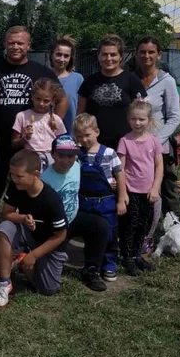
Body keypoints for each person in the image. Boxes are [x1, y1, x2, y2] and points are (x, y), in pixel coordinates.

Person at [0, 26, 65, 231]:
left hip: (32, 148)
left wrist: (52, 121)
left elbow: (61, 99)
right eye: (11, 42)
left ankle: (32, 236)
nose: (16, 46)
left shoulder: (42, 72)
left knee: (32, 193)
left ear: (29, 45)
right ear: (5, 44)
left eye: (20, 43)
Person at [0, 149, 68, 308]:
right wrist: (23, 219)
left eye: (19, 176)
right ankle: (4, 282)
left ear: (35, 174)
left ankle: (22, 259)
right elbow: (7, 213)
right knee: (4, 228)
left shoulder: (51, 199)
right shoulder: (15, 187)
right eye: (12, 175)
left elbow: (60, 235)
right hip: (29, 234)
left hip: (49, 244)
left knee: (48, 289)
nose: (14, 179)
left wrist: (34, 255)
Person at [41, 135, 109, 292]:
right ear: (52, 155)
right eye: (61, 156)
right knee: (49, 283)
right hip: (55, 226)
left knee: (101, 225)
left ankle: (91, 270)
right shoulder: (45, 179)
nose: (66, 160)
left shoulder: (77, 166)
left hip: (73, 217)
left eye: (70, 156)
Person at [133, 36, 180, 252]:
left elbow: (174, 117)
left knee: (165, 188)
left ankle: (175, 230)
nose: (147, 56)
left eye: (151, 52)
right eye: (142, 51)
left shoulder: (167, 81)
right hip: (134, 145)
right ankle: (139, 231)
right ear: (137, 54)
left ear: (159, 55)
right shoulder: (130, 78)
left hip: (158, 146)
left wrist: (155, 141)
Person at [74, 113, 125, 283]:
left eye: (87, 135)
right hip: (85, 201)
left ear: (97, 132)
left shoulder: (109, 153)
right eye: (80, 136)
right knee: (91, 234)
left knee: (110, 233)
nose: (84, 140)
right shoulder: (76, 154)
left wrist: (121, 197)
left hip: (106, 201)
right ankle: (91, 265)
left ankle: (109, 263)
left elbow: (120, 175)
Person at [117, 99, 163, 276]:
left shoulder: (154, 141)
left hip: (149, 192)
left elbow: (159, 166)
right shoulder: (125, 141)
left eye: (142, 119)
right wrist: (123, 193)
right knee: (130, 225)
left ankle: (137, 255)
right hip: (131, 192)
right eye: (134, 119)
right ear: (128, 119)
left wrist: (155, 188)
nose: (137, 123)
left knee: (143, 225)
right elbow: (120, 168)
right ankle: (126, 257)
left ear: (149, 120)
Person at [78, 34, 146, 150]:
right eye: (104, 54)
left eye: (113, 54)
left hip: (125, 143)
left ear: (120, 57)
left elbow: (141, 114)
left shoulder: (132, 80)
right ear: (98, 56)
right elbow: (80, 115)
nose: (108, 58)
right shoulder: (89, 81)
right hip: (94, 144)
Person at [12, 78, 67, 170]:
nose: (41, 103)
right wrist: (26, 137)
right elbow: (14, 144)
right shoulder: (22, 116)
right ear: (32, 96)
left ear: (52, 101)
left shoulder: (56, 119)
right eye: (38, 99)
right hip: (30, 160)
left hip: (51, 160)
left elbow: (63, 143)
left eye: (46, 101)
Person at [50, 36, 84, 129]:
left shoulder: (78, 79)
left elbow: (81, 109)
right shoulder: (43, 76)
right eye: (58, 54)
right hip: (47, 133)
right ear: (52, 54)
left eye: (66, 56)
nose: (62, 59)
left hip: (71, 134)